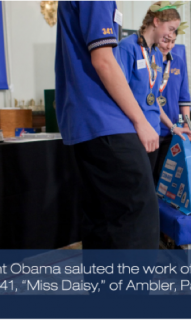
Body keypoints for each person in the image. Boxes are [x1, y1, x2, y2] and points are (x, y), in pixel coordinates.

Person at [55, 0, 159, 249]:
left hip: (86, 120)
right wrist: (140, 120)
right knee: (137, 216)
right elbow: (103, 61)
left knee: (102, 218)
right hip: (105, 119)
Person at [118, 1, 191, 171]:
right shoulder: (127, 47)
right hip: (134, 131)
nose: (170, 37)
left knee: (151, 189)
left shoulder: (156, 56)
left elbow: (152, 101)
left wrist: (174, 127)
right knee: (137, 189)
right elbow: (119, 92)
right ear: (156, 21)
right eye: (171, 29)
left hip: (154, 130)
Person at [153, 25, 191, 183]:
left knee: (165, 179)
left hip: (173, 131)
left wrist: (187, 126)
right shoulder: (149, 59)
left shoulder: (178, 62)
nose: (168, 46)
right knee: (149, 177)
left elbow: (184, 98)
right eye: (165, 40)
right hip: (152, 129)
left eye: (173, 41)